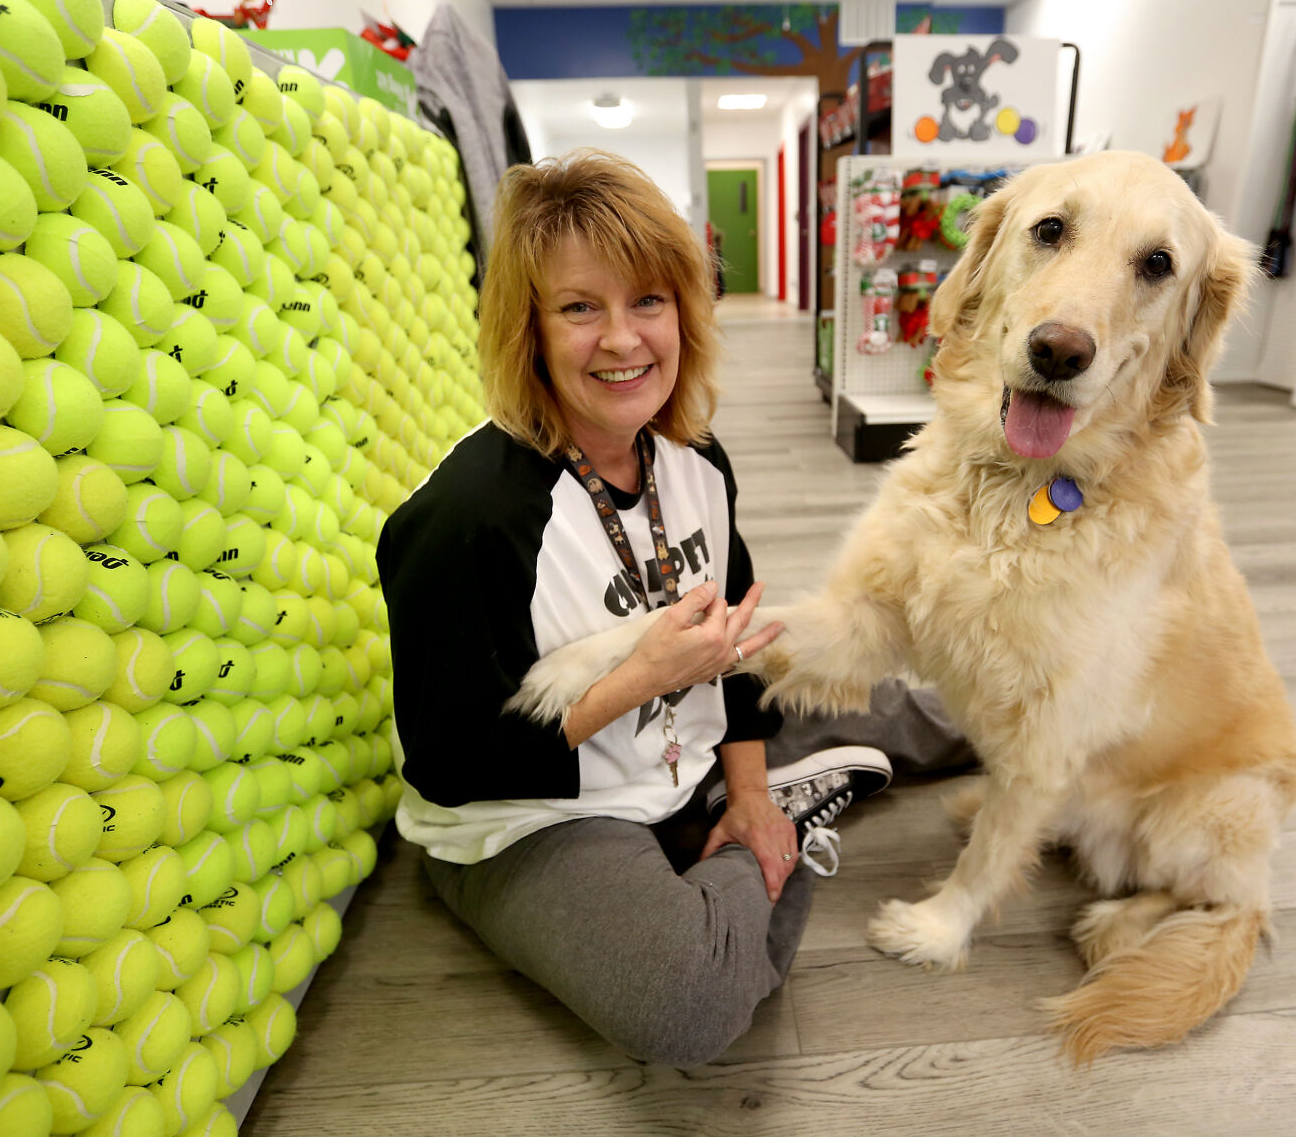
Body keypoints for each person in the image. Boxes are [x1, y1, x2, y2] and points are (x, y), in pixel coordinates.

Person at [378, 149, 968, 1068]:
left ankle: (767, 798)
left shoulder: (695, 458)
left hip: (686, 743)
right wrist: (641, 682)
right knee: (685, 1007)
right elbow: (449, 767)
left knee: (917, 710)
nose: (622, 341)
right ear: (526, 328)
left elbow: (730, 652)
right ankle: (796, 807)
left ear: (684, 313)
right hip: (540, 815)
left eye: (647, 301)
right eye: (580, 308)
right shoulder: (467, 519)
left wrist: (742, 792)